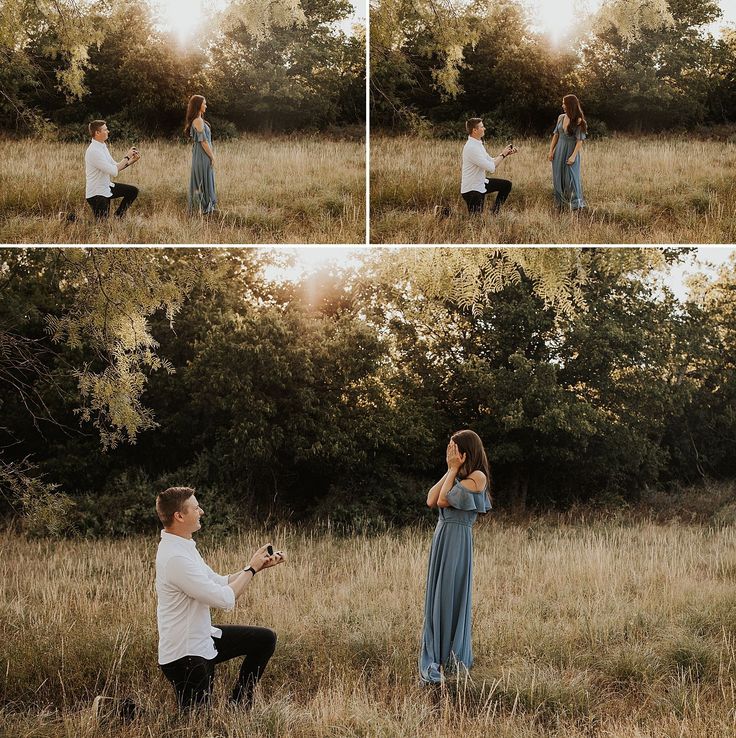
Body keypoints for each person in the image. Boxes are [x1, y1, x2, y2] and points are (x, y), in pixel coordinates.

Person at [155, 486, 286, 711]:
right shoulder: (175, 558)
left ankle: (240, 704)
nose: (202, 511)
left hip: (202, 638)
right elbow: (224, 599)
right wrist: (251, 570)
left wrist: (256, 566)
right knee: (195, 726)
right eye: (196, 508)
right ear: (179, 516)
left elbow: (218, 581)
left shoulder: (184, 547)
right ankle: (119, 710)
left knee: (264, 639)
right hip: (185, 655)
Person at [419, 430, 492, 685]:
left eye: (453, 449)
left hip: (457, 541)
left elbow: (442, 500)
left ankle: (451, 656)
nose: (449, 454)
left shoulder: (477, 477)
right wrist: (450, 470)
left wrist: (452, 471)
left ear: (465, 452)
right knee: (438, 596)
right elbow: (430, 499)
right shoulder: (457, 475)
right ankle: (437, 654)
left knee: (451, 595)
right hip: (442, 538)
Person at [84, 120, 140, 218]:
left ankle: (118, 216)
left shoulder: (102, 146)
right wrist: (127, 156)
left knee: (132, 191)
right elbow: (114, 171)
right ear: (97, 133)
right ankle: (68, 217)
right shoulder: (93, 151)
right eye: (105, 130)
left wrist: (131, 161)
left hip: (106, 187)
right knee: (102, 227)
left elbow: (115, 166)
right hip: (97, 194)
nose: (108, 131)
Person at [461, 118, 517, 215]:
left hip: (480, 183)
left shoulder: (478, 144)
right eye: (482, 127)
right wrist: (502, 155)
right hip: (472, 189)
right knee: (476, 222)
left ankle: (495, 212)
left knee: (506, 185)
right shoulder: (471, 147)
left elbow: (491, 161)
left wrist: (505, 154)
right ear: (475, 130)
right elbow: (491, 168)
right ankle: (444, 212)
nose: (484, 128)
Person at [549, 94, 587, 211]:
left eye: (564, 103)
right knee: (558, 177)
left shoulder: (579, 121)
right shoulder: (561, 117)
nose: (562, 105)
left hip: (571, 151)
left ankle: (576, 205)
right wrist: (551, 151)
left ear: (570, 105)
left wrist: (573, 156)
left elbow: (579, 141)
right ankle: (559, 204)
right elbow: (556, 135)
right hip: (559, 150)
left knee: (571, 178)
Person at [184, 95, 217, 215]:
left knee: (205, 178)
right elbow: (203, 141)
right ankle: (202, 208)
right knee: (203, 179)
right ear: (199, 105)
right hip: (202, 155)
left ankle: (205, 207)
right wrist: (212, 156)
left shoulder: (199, 120)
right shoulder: (198, 121)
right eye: (204, 103)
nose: (206, 105)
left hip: (202, 154)